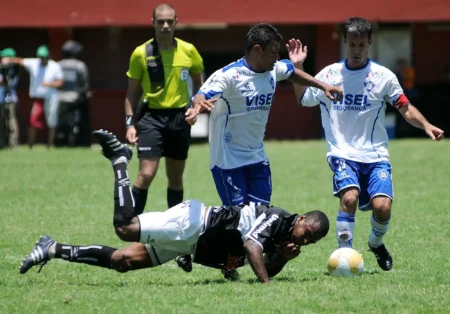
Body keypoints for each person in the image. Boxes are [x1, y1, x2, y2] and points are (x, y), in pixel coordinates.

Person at [19, 129, 330, 284]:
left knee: (122, 262)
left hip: (190, 244)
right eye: (307, 232)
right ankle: (120, 161)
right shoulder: (276, 218)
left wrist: (284, 261)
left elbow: (259, 264)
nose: (305, 239)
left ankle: (52, 248)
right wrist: (266, 289)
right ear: (301, 217)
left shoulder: (283, 239)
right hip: (194, 224)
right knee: (125, 228)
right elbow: (251, 247)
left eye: (310, 241)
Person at [185, 23, 342, 278]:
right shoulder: (230, 75)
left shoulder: (272, 69)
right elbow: (202, 94)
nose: (276, 57)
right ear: (257, 50)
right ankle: (219, 260)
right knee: (236, 221)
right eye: (272, 51)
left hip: (257, 158)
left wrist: (322, 86)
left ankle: (264, 260)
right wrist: (196, 107)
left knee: (260, 217)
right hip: (227, 161)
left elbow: (292, 72)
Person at [287, 16, 444, 271]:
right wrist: (299, 67)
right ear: (345, 43)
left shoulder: (384, 76)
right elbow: (303, 98)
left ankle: (375, 243)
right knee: (349, 197)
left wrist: (425, 124)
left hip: (375, 154)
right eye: (352, 45)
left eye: (361, 45)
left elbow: (405, 107)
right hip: (341, 152)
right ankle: (344, 255)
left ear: (370, 42)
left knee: (382, 207)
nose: (357, 50)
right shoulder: (329, 74)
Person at [124, 3, 204, 226]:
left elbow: (200, 83)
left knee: (176, 178)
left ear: (176, 22)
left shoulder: (189, 50)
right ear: (153, 23)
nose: (166, 25)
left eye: (170, 21)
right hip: (152, 118)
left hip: (179, 119)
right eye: (161, 21)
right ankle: (129, 224)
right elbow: (131, 92)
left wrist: (195, 107)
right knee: (146, 174)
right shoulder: (141, 53)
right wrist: (130, 124)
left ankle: (175, 230)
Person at [1, 45, 64, 148]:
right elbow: (21, 61)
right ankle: (31, 145)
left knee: (51, 121)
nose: (42, 59)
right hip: (38, 98)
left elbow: (60, 82)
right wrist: (9, 59)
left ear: (48, 56)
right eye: (41, 57)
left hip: (51, 97)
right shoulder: (34, 63)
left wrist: (49, 84)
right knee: (33, 121)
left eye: (44, 57)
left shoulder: (55, 66)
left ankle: (50, 145)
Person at [56, 40, 90, 147]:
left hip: (60, 98)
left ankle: (61, 142)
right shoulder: (80, 65)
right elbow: (84, 84)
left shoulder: (58, 64)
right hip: (75, 98)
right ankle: (74, 142)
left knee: (61, 122)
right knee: (75, 121)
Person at [0, 48, 21, 148]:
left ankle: (13, 144)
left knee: (11, 122)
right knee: (1, 122)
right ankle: (2, 143)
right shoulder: (2, 68)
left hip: (10, 98)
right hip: (1, 98)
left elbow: (7, 82)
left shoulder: (13, 69)